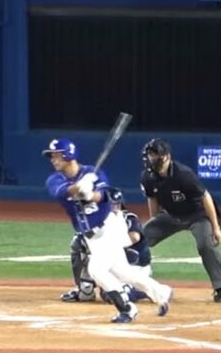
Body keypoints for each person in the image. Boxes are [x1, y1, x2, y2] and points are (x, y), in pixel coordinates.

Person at [43, 138, 172, 323]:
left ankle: (127, 308)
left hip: (109, 228)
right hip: (91, 237)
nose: (53, 160)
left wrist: (89, 193)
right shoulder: (55, 179)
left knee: (96, 269)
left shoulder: (93, 173)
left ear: (68, 155)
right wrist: (79, 188)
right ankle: (161, 292)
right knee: (124, 272)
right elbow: (61, 192)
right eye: (51, 156)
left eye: (56, 156)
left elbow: (104, 195)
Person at [139, 138, 221, 302]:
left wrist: (216, 227)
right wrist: (154, 222)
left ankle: (220, 286)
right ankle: (134, 283)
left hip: (197, 215)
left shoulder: (183, 174)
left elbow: (205, 197)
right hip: (170, 215)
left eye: (155, 155)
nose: (152, 158)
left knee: (205, 245)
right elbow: (152, 200)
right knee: (138, 239)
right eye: (150, 155)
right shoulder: (147, 177)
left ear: (167, 156)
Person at [62, 187, 154, 305]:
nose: (114, 208)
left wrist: (109, 244)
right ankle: (85, 289)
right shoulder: (97, 221)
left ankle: (146, 290)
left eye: (116, 204)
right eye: (111, 205)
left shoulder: (128, 218)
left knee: (110, 296)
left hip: (135, 266)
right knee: (80, 243)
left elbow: (134, 237)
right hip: (115, 264)